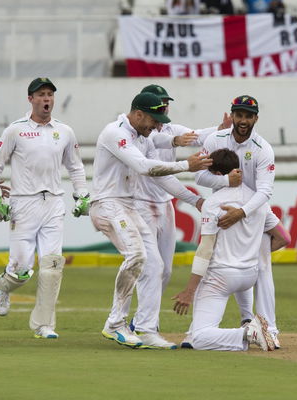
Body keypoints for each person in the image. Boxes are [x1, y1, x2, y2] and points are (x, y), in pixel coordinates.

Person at [90, 91, 213, 348]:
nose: (157, 125)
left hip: (128, 205)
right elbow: (145, 167)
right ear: (137, 114)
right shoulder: (116, 133)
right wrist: (186, 166)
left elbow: (161, 164)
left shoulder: (142, 136)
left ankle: (145, 329)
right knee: (137, 256)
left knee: (155, 266)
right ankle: (115, 324)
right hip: (108, 204)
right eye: (153, 120)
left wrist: (221, 130)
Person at [121, 84, 231, 349]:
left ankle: (140, 321)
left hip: (165, 205)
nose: (164, 108)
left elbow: (197, 136)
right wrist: (195, 199)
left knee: (165, 271)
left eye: (165, 103)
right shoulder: (141, 137)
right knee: (150, 266)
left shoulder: (170, 130)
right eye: (159, 103)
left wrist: (221, 129)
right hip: (141, 203)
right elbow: (161, 177)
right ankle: (140, 323)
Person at [0, 78, 89, 339]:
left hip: (53, 202)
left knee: (52, 266)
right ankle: (5, 287)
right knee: (21, 267)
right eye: (41, 95)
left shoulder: (64, 131)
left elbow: (75, 166)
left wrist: (82, 195)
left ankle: (44, 325)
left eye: (50, 95)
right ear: (30, 98)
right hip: (23, 203)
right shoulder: (15, 130)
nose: (47, 99)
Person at [194, 95, 291, 348]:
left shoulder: (263, 149)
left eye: (249, 116)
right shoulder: (215, 139)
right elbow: (201, 178)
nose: (243, 120)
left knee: (269, 255)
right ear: (233, 115)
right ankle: (250, 320)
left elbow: (265, 191)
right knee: (250, 261)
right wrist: (226, 183)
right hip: (225, 202)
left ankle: (269, 328)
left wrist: (243, 212)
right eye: (239, 115)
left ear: (255, 118)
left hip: (254, 206)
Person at [172, 149, 276, 351]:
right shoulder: (259, 201)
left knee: (201, 338)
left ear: (218, 175)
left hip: (221, 277)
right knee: (194, 337)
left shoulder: (213, 202)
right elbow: (281, 237)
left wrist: (189, 291)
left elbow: (205, 249)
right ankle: (242, 322)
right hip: (249, 276)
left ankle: (248, 332)